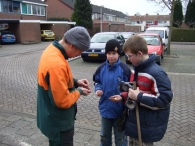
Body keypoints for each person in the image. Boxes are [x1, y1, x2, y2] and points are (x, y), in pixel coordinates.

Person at [109, 35, 173, 146]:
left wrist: (140, 97)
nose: (128, 59)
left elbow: (164, 99)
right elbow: (133, 91)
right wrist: (123, 96)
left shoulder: (157, 74)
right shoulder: (136, 70)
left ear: (139, 53)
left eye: (130, 56)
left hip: (146, 127)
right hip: (134, 123)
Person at [37, 26, 92, 146]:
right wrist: (80, 91)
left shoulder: (52, 50)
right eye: (80, 51)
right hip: (59, 123)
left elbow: (57, 79)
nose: (79, 55)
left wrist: (76, 82)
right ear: (72, 45)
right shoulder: (56, 63)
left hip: (51, 118)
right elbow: (62, 101)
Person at [93, 39, 131, 146]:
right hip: (105, 109)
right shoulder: (101, 68)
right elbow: (97, 81)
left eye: (114, 53)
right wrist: (98, 89)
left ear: (119, 54)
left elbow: (130, 89)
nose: (111, 56)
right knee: (104, 137)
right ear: (106, 54)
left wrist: (122, 97)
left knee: (121, 138)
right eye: (109, 53)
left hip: (120, 111)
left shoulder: (125, 69)